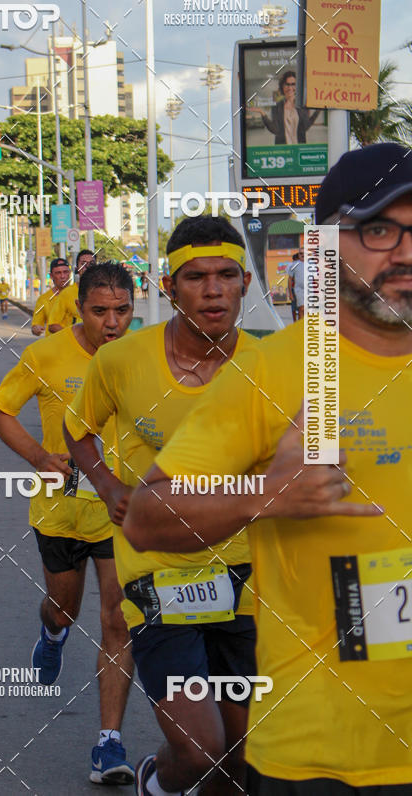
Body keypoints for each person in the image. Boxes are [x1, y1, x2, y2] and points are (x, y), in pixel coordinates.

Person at [123, 142, 412, 795]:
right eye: (378, 229)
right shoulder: (275, 369)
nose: (405, 252)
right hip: (322, 753)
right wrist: (266, 492)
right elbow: (146, 515)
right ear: (329, 244)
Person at [64, 217, 258, 796]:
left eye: (226, 275)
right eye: (195, 277)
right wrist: (106, 485)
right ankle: (158, 780)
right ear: (169, 288)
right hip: (157, 572)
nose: (213, 289)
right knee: (199, 750)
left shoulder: (272, 366)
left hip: (250, 574)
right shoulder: (121, 361)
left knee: (240, 759)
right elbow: (78, 429)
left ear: (246, 282)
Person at [0, 262, 135, 786]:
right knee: (63, 609)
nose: (112, 323)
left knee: (118, 620)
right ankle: (51, 636)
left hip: (122, 515)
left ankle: (109, 743)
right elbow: (2, 411)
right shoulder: (45, 354)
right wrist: (37, 456)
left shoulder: (145, 357)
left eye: (122, 311)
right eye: (100, 311)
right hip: (61, 511)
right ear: (79, 308)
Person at [248, 71, 320, 145]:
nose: (290, 88)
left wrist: (318, 110)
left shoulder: (301, 105)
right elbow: (275, 130)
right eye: (287, 84)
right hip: (283, 150)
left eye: (293, 84)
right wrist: (262, 113)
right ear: (282, 86)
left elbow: (305, 127)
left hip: (299, 149)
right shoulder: (277, 107)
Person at [47, 249, 96, 335]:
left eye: (91, 264)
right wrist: (73, 336)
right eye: (83, 264)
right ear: (77, 268)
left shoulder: (105, 292)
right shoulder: (67, 293)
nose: (87, 267)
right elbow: (52, 325)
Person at [31, 258, 71, 337]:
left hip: (77, 345)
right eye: (58, 273)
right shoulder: (43, 299)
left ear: (69, 273)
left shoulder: (80, 294)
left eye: (65, 272)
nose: (62, 276)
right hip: (54, 346)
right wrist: (36, 329)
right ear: (51, 276)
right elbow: (36, 325)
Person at [287, 248, 305, 321]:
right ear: (298, 254)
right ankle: (300, 327)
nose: (302, 255)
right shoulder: (294, 265)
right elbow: (290, 279)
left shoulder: (312, 264)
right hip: (298, 290)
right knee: (301, 308)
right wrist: (290, 293)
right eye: (301, 253)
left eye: (304, 253)